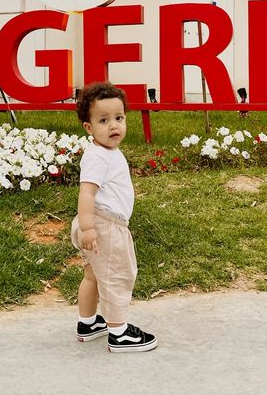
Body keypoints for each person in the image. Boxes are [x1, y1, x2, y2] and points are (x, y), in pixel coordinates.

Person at [71, 81, 157, 353]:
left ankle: (88, 323)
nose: (114, 126)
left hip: (94, 223)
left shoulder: (105, 152)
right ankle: (118, 333)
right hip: (103, 226)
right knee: (118, 275)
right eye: (104, 120)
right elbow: (86, 193)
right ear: (89, 127)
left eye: (119, 118)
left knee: (93, 276)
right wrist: (89, 229)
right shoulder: (98, 157)